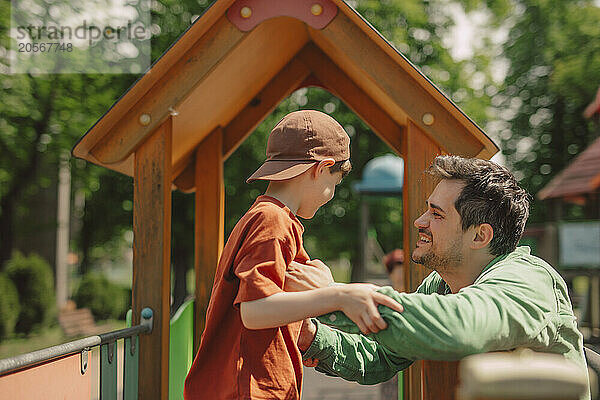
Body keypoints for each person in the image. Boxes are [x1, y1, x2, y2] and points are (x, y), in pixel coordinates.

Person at [289, 155, 591, 400]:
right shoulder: (439, 285)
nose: (420, 221)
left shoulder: (526, 279)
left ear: (480, 235)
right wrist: (313, 337)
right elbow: (382, 357)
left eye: (437, 214)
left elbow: (462, 327)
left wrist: (337, 297)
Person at [183, 110, 403, 400]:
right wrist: (339, 295)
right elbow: (255, 310)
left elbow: (284, 290)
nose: (330, 195)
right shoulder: (273, 221)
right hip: (249, 388)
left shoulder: (271, 218)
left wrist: (324, 282)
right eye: (334, 185)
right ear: (321, 168)